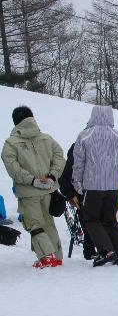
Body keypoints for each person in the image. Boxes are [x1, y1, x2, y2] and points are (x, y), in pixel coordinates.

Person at [1, 106, 65, 268]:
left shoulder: (11, 144)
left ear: (15, 121)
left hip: (28, 192)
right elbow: (59, 157)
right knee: (48, 222)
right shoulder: (47, 139)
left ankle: (47, 257)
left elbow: (13, 168)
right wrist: (52, 176)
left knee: (34, 224)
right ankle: (57, 257)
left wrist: (32, 180)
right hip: (48, 189)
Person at [72, 105, 118, 266]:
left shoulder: (85, 135)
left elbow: (79, 163)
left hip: (92, 185)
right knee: (110, 220)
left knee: (91, 219)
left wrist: (77, 184)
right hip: (113, 186)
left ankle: (106, 250)